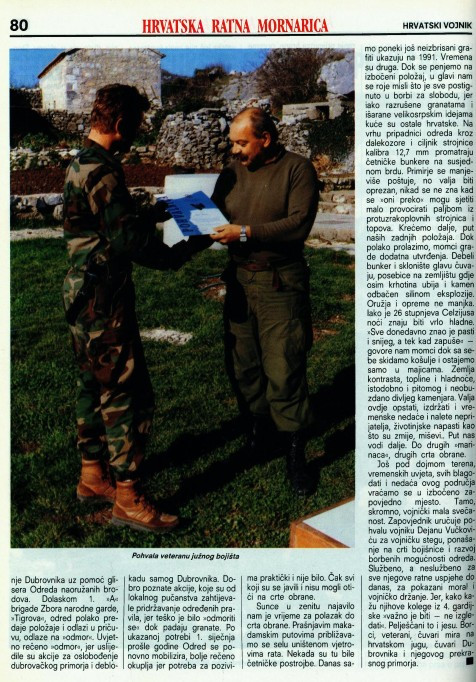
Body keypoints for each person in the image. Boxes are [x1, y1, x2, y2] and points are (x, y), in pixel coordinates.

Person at [63, 84, 209, 533]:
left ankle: (93, 475)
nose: (138, 134)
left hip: (81, 295)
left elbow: (108, 223)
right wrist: (192, 242)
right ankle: (128, 497)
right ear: (121, 124)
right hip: (104, 301)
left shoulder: (82, 162)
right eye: (137, 125)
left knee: (92, 383)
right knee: (127, 393)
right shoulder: (104, 171)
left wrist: (156, 213)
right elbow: (132, 243)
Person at [210, 107, 319, 495]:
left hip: (280, 284)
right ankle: (259, 436)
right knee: (245, 367)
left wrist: (244, 233)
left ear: (266, 139)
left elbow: (298, 224)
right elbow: (213, 213)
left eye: (241, 143)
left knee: (284, 367)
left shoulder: (297, 170)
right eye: (232, 143)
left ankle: (295, 452)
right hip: (240, 280)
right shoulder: (233, 171)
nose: (234, 150)